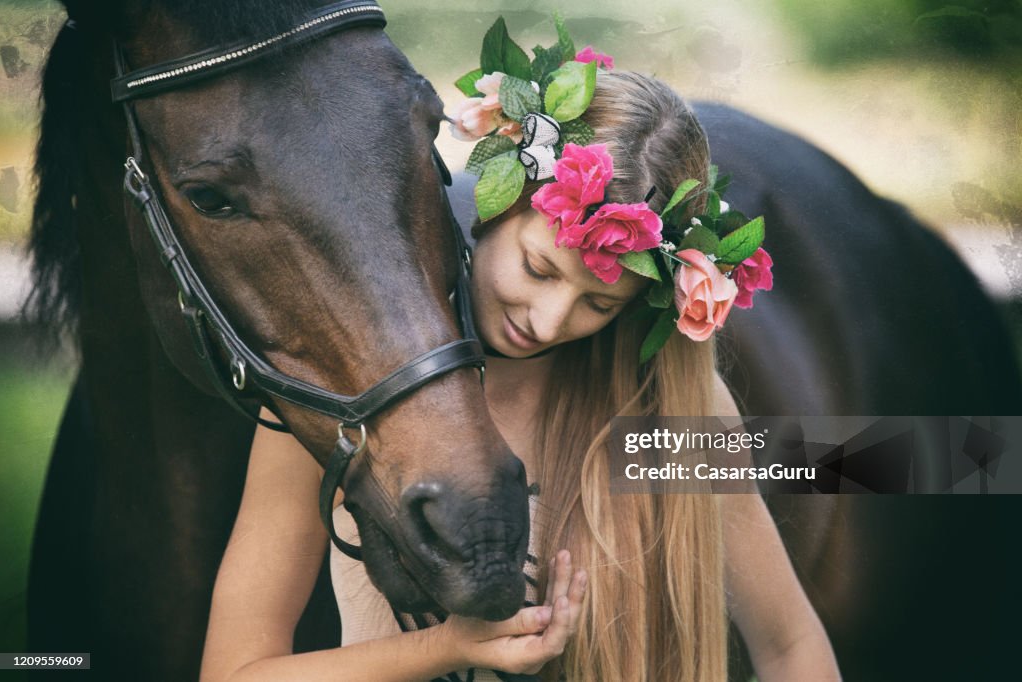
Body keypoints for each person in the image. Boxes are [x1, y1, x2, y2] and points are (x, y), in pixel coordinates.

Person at [200, 36, 840, 682]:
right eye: (539, 268)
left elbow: (790, 646)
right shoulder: (350, 388)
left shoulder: (666, 412)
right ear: (500, 196)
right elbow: (233, 671)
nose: (549, 319)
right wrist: (449, 648)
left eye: (599, 305)